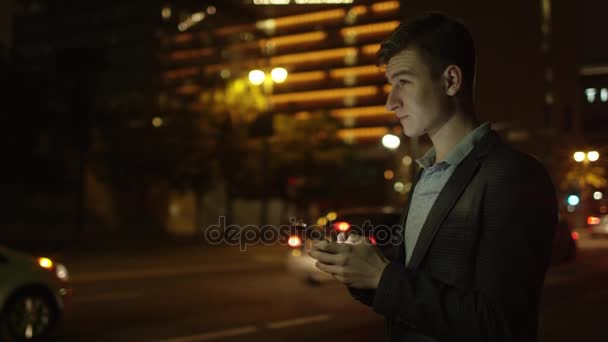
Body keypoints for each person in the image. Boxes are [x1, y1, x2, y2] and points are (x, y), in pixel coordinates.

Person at [308, 12, 557, 342]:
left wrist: (383, 277)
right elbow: (415, 291)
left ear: (451, 80)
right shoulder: (425, 177)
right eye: (390, 85)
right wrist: (362, 274)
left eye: (404, 82)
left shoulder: (512, 176)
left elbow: (501, 325)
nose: (390, 102)